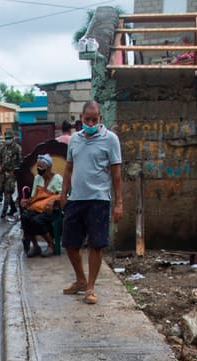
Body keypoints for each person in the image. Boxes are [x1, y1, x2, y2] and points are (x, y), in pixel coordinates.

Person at [61, 100, 123, 306]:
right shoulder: (74, 140)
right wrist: (64, 193)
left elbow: (116, 174)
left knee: (96, 245)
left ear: (100, 119)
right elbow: (68, 168)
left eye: (94, 119)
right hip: (75, 199)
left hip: (98, 200)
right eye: (87, 119)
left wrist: (119, 203)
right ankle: (80, 279)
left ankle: (90, 287)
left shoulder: (111, 140)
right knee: (70, 244)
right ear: (81, 118)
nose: (90, 122)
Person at [20, 154, 63, 256]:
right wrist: (26, 201)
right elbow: (34, 197)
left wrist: (53, 200)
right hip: (38, 207)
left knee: (37, 220)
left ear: (49, 168)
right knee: (25, 217)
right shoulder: (38, 178)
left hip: (52, 209)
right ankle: (35, 246)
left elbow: (62, 195)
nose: (39, 170)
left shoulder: (57, 178)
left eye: (42, 168)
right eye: (38, 168)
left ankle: (51, 245)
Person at [0, 129, 22, 219]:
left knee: (8, 191)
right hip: (3, 173)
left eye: (9, 138)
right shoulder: (3, 147)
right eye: (6, 138)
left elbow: (20, 161)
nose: (7, 140)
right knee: (1, 190)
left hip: (12, 173)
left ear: (13, 138)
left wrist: (15, 171)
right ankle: (13, 208)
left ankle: (4, 211)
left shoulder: (17, 148)